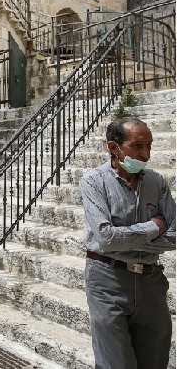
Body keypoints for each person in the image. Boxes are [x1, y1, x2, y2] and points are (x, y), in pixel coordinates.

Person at [80, 117, 175, 369]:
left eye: (149, 146)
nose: (146, 154)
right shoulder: (93, 181)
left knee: (155, 360)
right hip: (108, 279)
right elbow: (105, 237)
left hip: (151, 283)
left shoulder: (156, 182)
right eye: (137, 146)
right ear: (114, 147)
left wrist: (123, 239)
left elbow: (174, 235)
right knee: (115, 363)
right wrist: (152, 228)